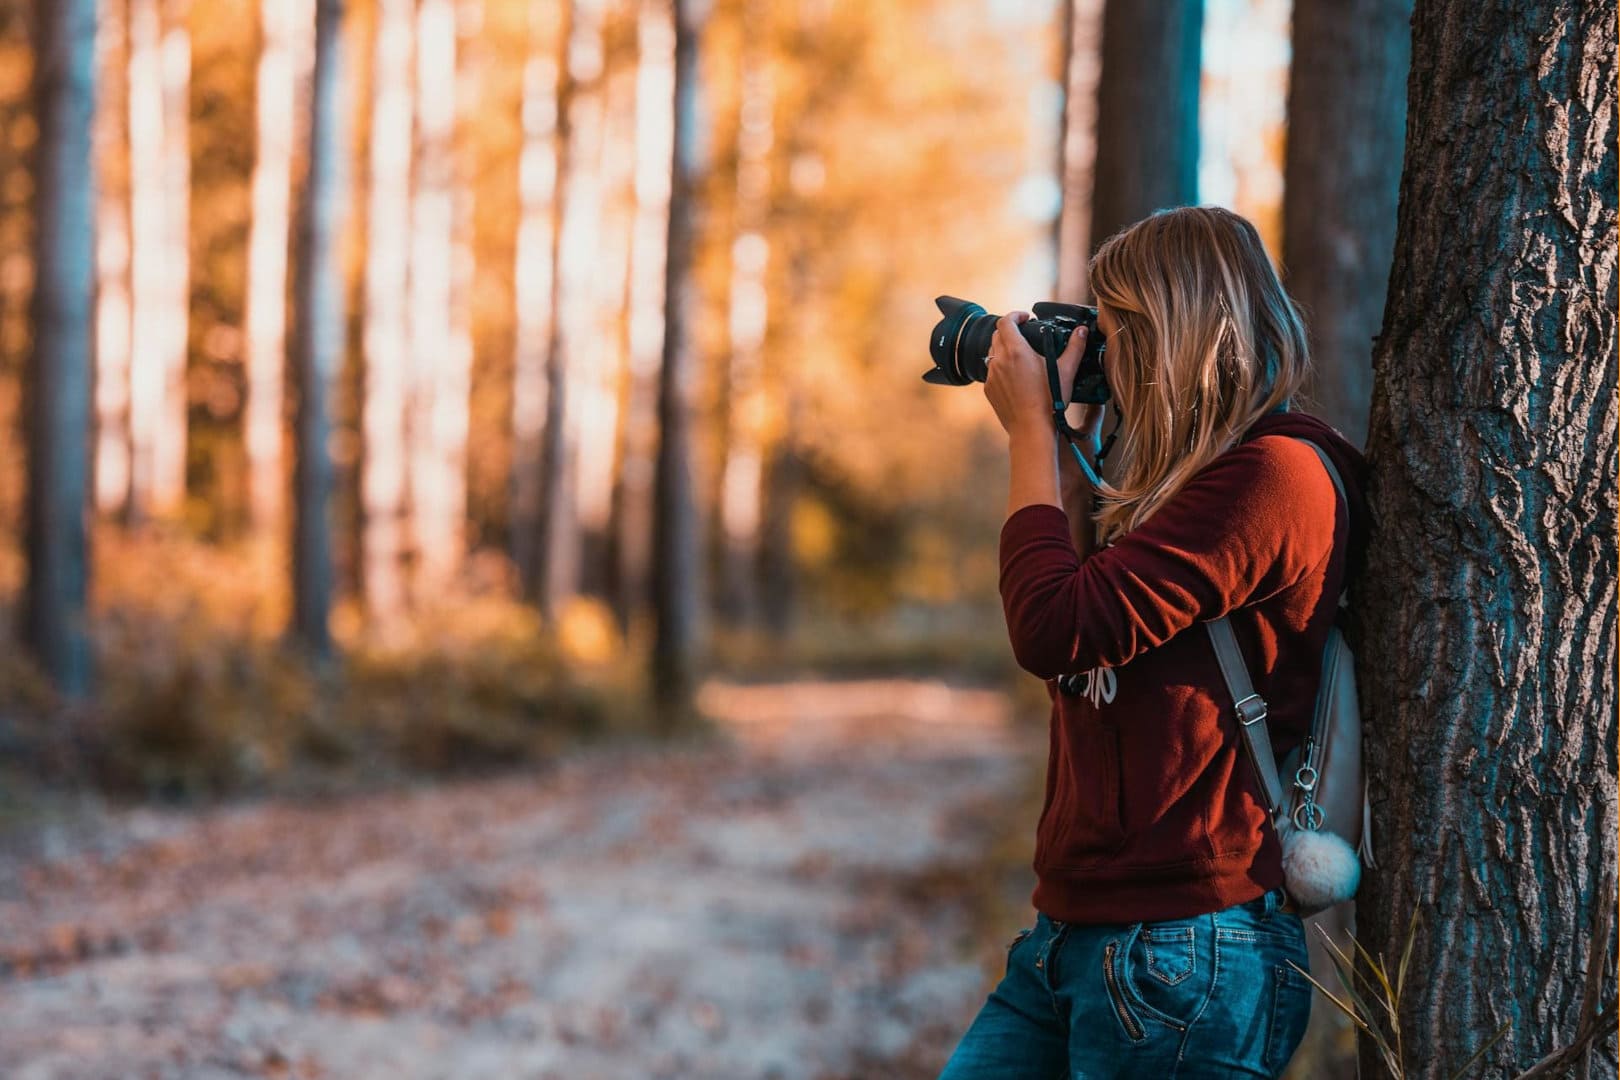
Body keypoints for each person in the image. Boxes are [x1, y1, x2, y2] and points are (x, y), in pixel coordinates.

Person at [937, 205, 1371, 1079]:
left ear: (1169, 333)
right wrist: (1069, 449)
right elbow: (1089, 626)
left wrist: (1029, 431)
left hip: (1187, 951)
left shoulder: (1274, 476)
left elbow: (1054, 630)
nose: (1103, 350)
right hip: (1078, 936)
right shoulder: (1181, 487)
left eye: (1116, 327)